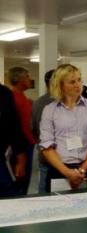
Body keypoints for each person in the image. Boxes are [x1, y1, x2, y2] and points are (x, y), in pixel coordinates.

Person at [39, 64, 87, 192]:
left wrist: (82, 170)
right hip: (59, 170)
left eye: (79, 80)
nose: (78, 85)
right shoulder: (49, 110)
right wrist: (67, 172)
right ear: (61, 86)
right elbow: (46, 146)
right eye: (72, 82)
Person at [8, 67, 37, 195]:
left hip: (27, 144)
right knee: (20, 181)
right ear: (19, 79)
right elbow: (17, 127)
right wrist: (31, 140)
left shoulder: (22, 97)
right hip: (21, 147)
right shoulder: (13, 98)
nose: (29, 79)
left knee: (24, 182)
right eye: (26, 76)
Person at [0, 83, 27, 197]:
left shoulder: (3, 93)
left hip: (0, 160)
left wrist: (21, 159)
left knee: (9, 195)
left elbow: (13, 127)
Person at [32, 69, 55, 193]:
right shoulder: (59, 101)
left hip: (44, 153)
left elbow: (33, 129)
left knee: (44, 183)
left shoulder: (37, 102)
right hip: (59, 155)